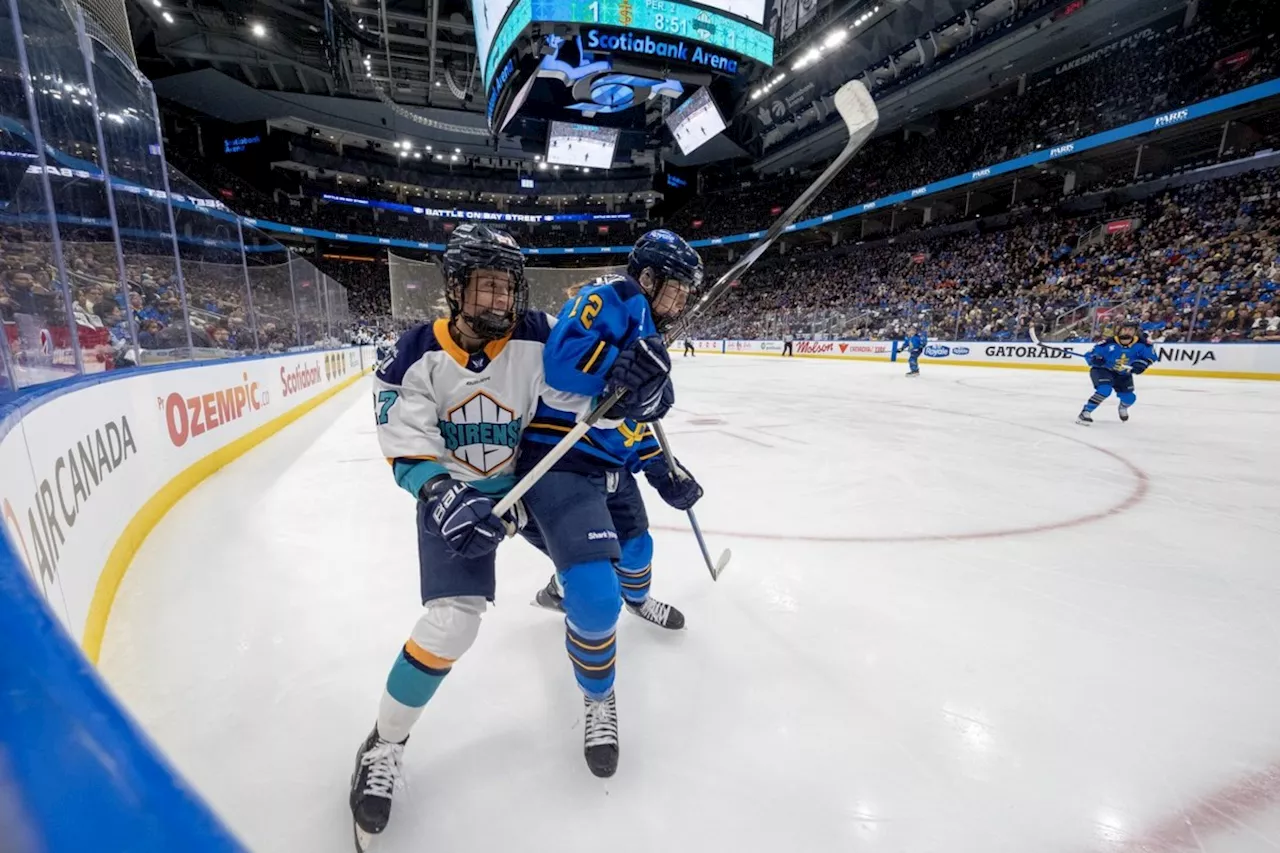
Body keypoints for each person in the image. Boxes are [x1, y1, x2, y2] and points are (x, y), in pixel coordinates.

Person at [348, 223, 600, 851]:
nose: (501, 302)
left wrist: (632, 372)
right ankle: (384, 742)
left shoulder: (539, 336)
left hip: (528, 486)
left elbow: (584, 395)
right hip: (452, 496)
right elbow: (406, 442)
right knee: (452, 623)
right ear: (455, 289)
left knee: (598, 569)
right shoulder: (411, 355)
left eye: (508, 288)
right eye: (487, 287)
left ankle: (560, 584)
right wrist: (440, 492)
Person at [515, 228, 702, 778]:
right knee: (597, 599)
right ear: (648, 277)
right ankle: (599, 699)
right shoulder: (608, 298)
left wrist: (662, 468)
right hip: (563, 461)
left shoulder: (653, 331)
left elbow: (633, 417)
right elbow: (563, 368)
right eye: (675, 290)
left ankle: (622, 596)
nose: (680, 302)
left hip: (611, 464)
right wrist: (616, 371)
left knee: (639, 551)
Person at [529, 416, 702, 631]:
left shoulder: (628, 388)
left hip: (614, 475)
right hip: (564, 473)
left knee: (637, 546)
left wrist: (663, 470)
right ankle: (561, 589)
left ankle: (638, 602)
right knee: (588, 560)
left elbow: (632, 427)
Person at [1077, 318, 1157, 425]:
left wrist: (1141, 364)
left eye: (1130, 329)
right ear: (1119, 330)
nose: (1127, 332)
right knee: (1105, 390)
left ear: (1135, 331)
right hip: (1103, 370)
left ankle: (1123, 407)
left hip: (1124, 374)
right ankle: (1085, 412)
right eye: (1125, 329)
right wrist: (1096, 359)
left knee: (1130, 398)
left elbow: (1150, 357)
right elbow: (1090, 355)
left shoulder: (1143, 344)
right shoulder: (1107, 343)